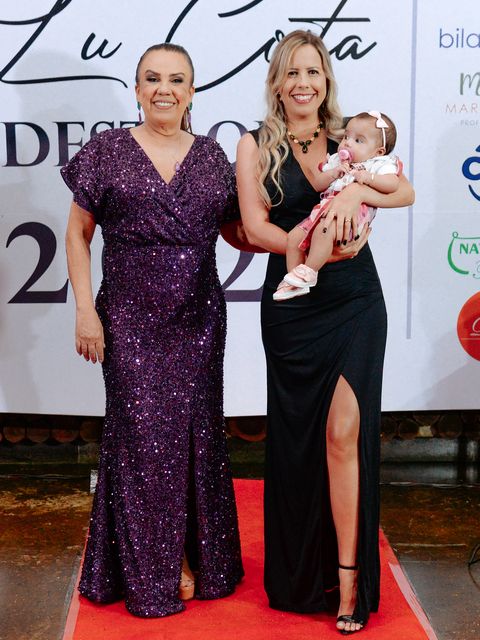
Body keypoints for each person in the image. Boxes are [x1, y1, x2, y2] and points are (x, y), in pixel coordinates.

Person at [236, 30, 414, 634]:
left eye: (313, 71)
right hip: (292, 305)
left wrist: (358, 188)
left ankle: (348, 581)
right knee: (297, 442)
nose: (303, 83)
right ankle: (298, 577)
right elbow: (253, 226)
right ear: (277, 82)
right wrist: (304, 244)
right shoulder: (254, 145)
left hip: (355, 301)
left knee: (343, 434)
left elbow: (404, 189)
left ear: (326, 80)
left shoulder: (350, 139)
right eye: (292, 72)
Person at [61, 43, 243, 618]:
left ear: (192, 91)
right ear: (137, 89)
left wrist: (304, 237)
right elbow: (77, 235)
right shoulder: (107, 152)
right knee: (142, 441)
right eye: (153, 79)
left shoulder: (212, 157)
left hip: (199, 318)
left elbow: (239, 231)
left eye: (176, 79)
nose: (164, 89)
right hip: (129, 319)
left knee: (196, 436)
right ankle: (157, 569)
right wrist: (85, 310)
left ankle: (197, 555)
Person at [274, 110, 401, 301]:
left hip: (352, 217)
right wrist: (333, 173)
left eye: (358, 140)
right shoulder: (337, 161)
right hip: (323, 211)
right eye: (346, 137)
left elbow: (393, 184)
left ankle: (309, 271)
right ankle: (294, 281)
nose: (347, 143)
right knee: (293, 238)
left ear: (379, 151)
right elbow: (318, 184)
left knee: (323, 231)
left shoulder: (378, 164)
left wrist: (368, 178)